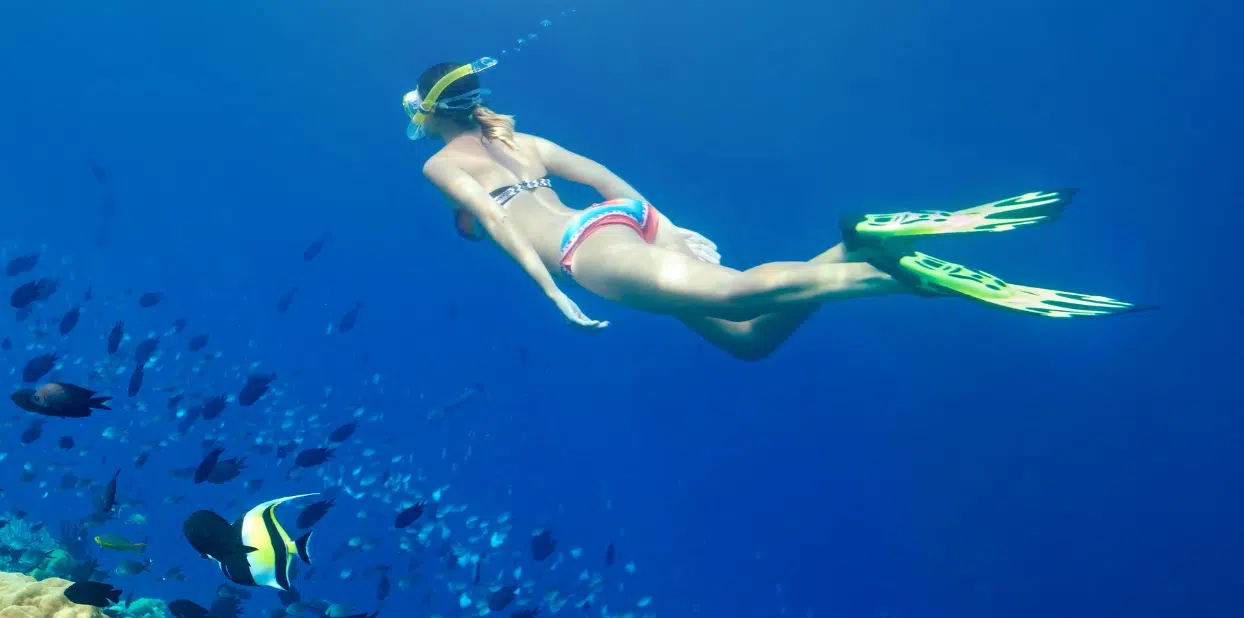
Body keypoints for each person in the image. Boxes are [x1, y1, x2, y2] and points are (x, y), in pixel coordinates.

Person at [408, 57, 1147, 360]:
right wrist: (665, 227)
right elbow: (607, 180)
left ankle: (907, 274)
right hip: (617, 229)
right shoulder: (520, 139)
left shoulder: (442, 164)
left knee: (740, 288)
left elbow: (504, 226)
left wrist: (553, 297)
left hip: (588, 257)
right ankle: (861, 251)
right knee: (748, 338)